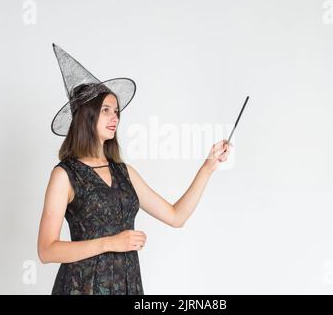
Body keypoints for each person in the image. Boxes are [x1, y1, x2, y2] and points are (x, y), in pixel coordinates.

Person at [37, 44, 232, 295]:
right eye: (106, 110)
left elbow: (176, 216)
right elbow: (46, 250)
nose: (115, 117)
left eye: (116, 111)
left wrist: (207, 168)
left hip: (127, 287)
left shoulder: (124, 173)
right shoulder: (64, 175)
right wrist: (110, 243)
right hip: (81, 287)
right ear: (86, 116)